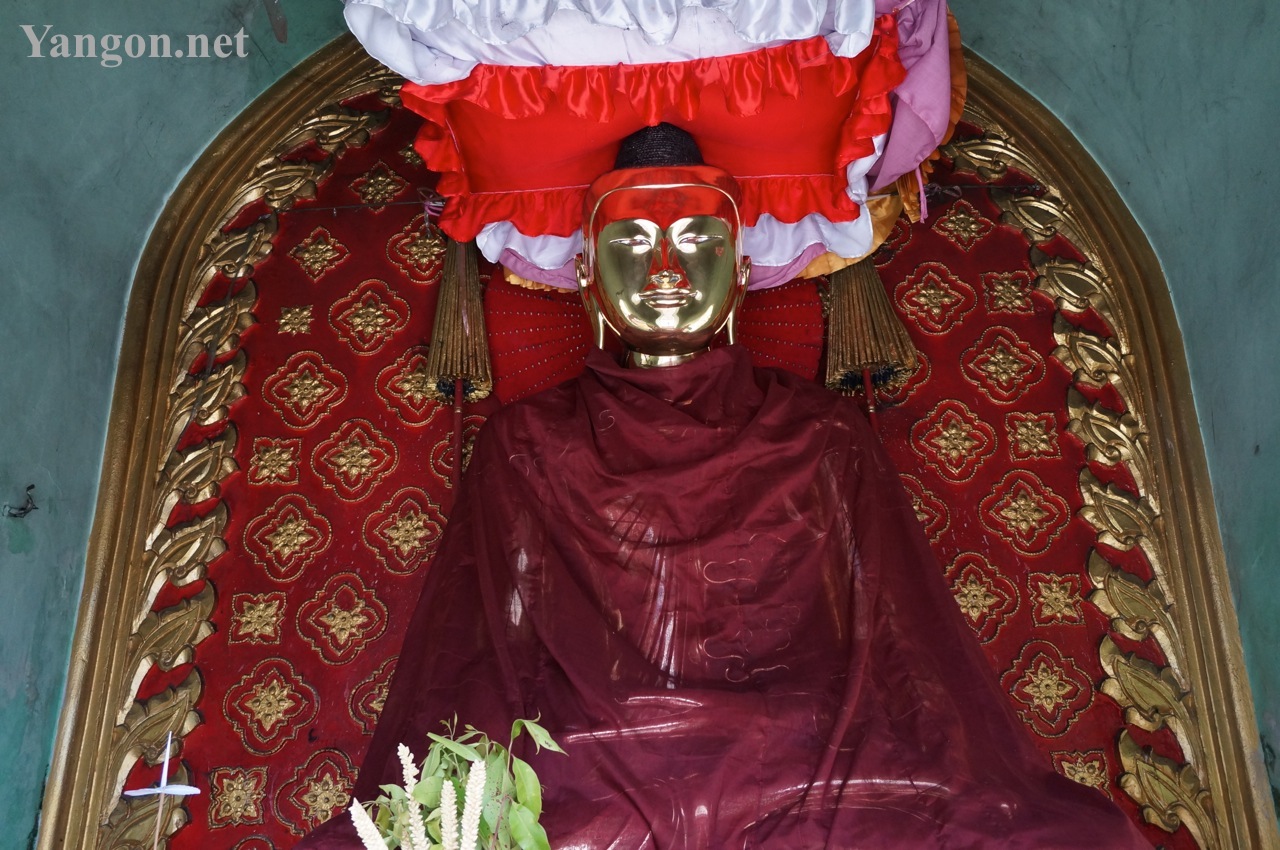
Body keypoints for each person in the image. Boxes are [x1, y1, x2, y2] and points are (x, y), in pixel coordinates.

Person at [297, 126, 1152, 849]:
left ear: (741, 273)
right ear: (587, 278)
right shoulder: (529, 440)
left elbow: (890, 632)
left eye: (698, 242)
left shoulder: (819, 431)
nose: (665, 265)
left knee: (968, 804)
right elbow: (494, 646)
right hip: (597, 747)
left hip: (802, 743)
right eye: (630, 245)